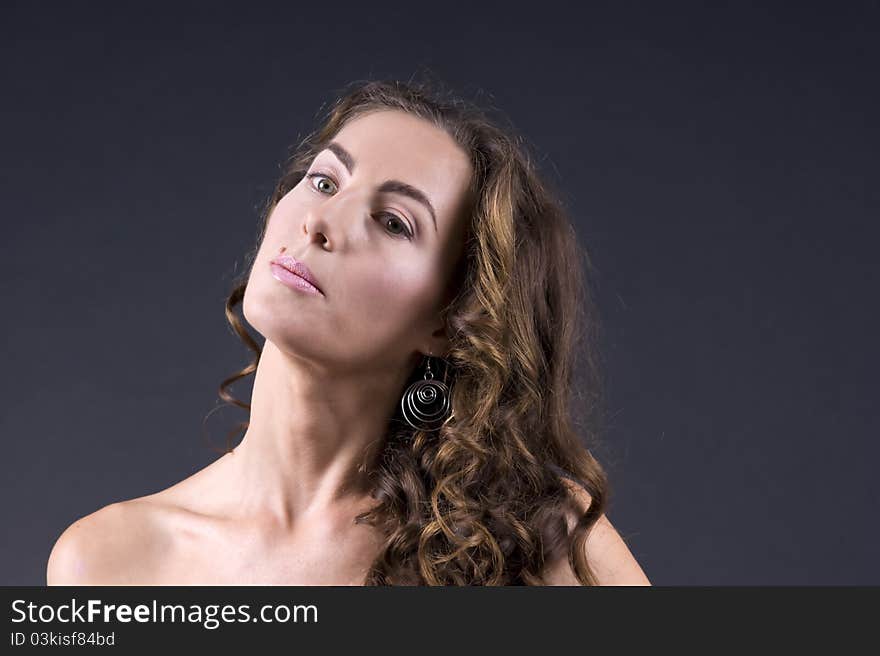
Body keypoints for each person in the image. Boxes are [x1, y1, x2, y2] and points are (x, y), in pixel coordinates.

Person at [47, 78, 651, 586]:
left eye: (392, 222)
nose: (319, 222)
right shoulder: (106, 563)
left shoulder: (536, 534)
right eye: (325, 181)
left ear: (449, 320)